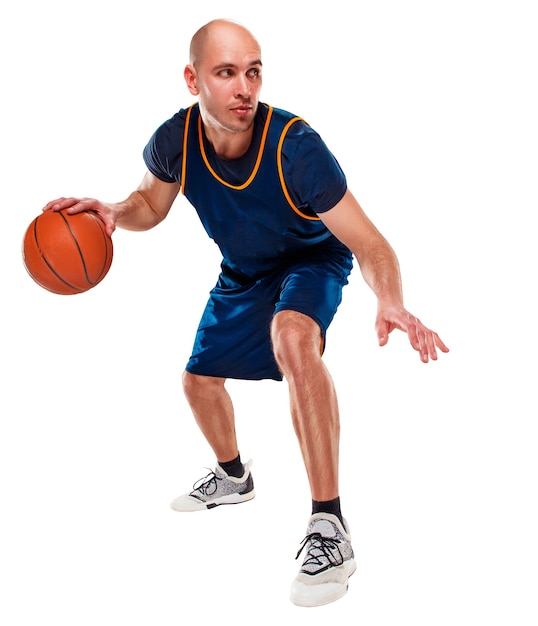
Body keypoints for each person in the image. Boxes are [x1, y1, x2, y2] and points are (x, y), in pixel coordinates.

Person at [43, 18, 449, 607]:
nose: (244, 88)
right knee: (197, 382)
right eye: (226, 72)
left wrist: (390, 299)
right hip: (245, 268)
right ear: (193, 80)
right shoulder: (175, 140)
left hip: (312, 261)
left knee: (292, 339)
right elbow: (148, 205)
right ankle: (234, 476)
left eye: (252, 72)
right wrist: (111, 212)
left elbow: (371, 243)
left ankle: (329, 525)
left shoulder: (297, 148)